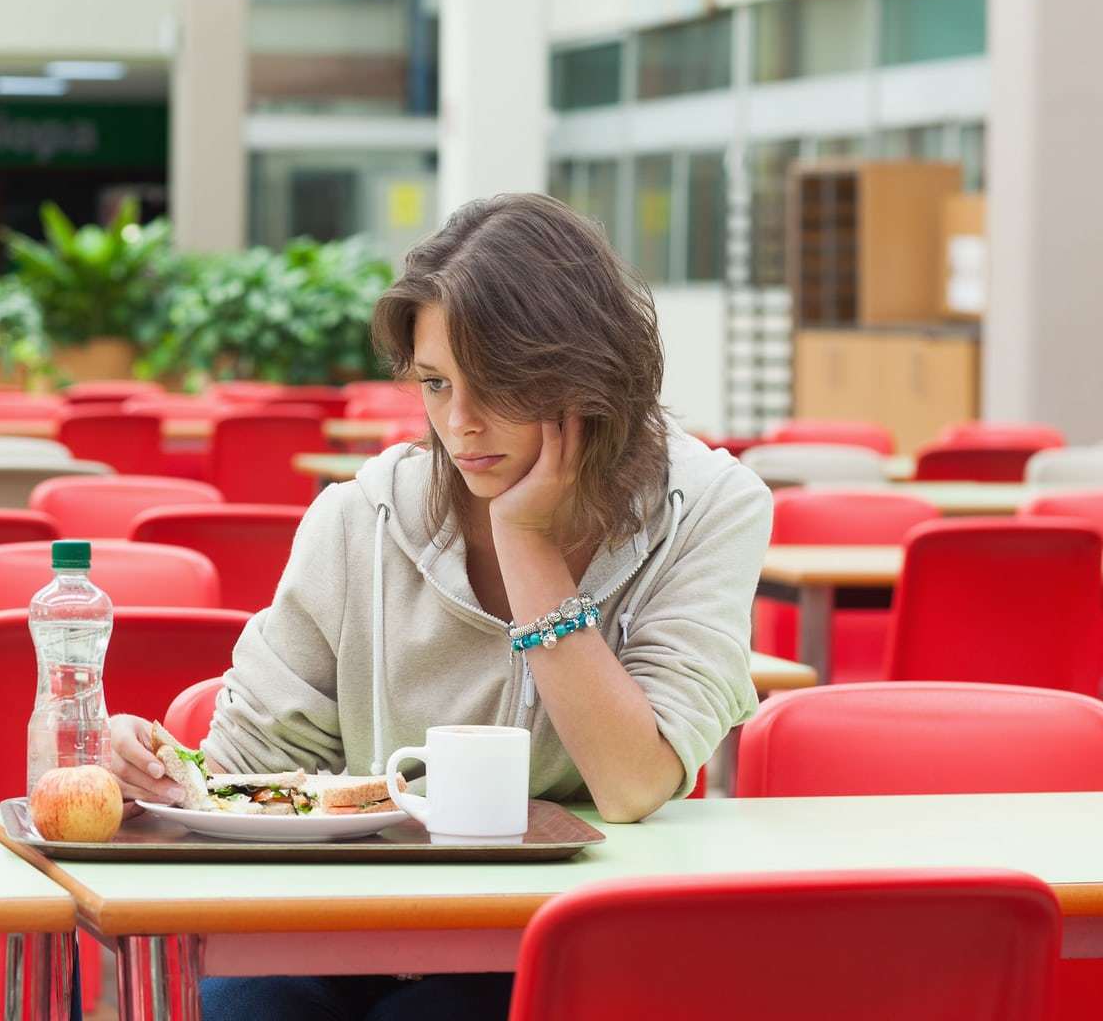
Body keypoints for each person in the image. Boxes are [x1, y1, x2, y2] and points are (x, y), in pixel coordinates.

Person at [107, 193, 772, 1019]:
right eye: (435, 383)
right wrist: (165, 772)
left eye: (498, 385)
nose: (461, 426)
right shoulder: (359, 516)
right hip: (343, 927)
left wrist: (526, 543)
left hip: (556, 932)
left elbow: (634, 783)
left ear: (589, 376)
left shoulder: (708, 508)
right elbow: (247, 770)